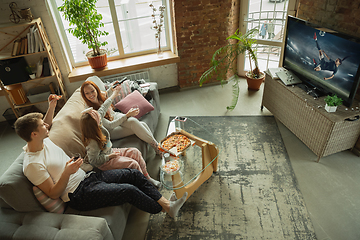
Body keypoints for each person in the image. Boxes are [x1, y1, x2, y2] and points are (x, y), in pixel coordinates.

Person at [14, 94, 187, 217]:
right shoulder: (32, 164)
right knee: (128, 191)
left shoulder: (42, 140)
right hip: (78, 194)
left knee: (132, 173)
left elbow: (48, 123)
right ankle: (164, 209)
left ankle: (166, 203)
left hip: (89, 177)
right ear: (34, 134)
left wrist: (51, 107)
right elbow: (52, 193)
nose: (46, 126)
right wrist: (67, 172)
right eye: (41, 126)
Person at [80, 102, 161, 188]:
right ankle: (145, 185)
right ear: (93, 124)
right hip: (105, 162)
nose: (100, 117)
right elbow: (93, 160)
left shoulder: (98, 127)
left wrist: (113, 94)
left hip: (110, 151)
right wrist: (109, 157)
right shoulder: (92, 142)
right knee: (133, 164)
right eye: (98, 118)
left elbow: (102, 110)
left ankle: (147, 177)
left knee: (135, 152)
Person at [80, 80, 163, 156]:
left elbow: (106, 95)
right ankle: (157, 147)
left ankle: (157, 147)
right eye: (87, 93)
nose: (91, 95)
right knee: (136, 124)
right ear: (84, 95)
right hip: (111, 130)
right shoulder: (91, 111)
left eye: (92, 91)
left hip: (116, 117)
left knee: (140, 123)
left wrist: (112, 88)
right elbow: (110, 125)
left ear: (96, 90)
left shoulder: (99, 96)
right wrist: (126, 115)